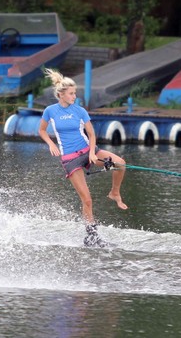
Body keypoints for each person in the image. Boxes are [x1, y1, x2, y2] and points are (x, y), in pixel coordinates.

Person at [38, 68, 128, 247]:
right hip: (70, 159)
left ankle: (115, 192)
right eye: (71, 94)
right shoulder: (50, 111)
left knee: (120, 163)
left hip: (88, 151)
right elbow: (41, 130)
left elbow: (92, 134)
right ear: (61, 94)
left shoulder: (79, 111)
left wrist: (93, 153)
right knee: (86, 199)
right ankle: (91, 236)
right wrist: (51, 143)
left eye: (75, 93)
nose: (74, 96)